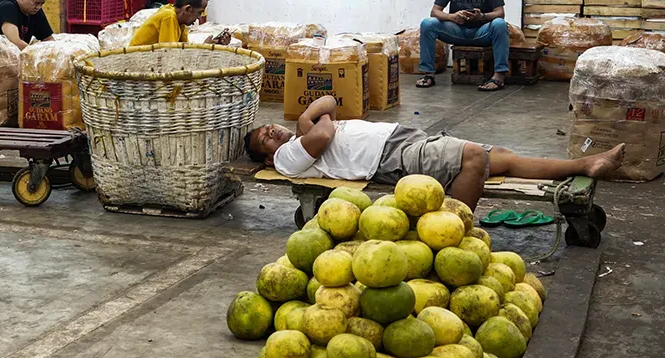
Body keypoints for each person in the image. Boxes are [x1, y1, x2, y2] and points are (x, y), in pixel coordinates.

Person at [245, 95, 624, 210]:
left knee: (502, 157)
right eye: (265, 138)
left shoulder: (300, 134)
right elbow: (327, 127)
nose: (270, 130)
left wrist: (308, 117)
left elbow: (330, 99)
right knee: (474, 156)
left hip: (402, 138)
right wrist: (310, 121)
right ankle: (453, 235)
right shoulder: (286, 159)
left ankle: (584, 164)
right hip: (392, 159)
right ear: (267, 157)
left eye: (267, 126)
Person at [416, 0, 508, 92]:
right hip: (457, 31)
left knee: (500, 24)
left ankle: (499, 76)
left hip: (481, 32)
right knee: (427, 24)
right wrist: (452, 17)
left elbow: (500, 13)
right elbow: (435, 11)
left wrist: (482, 16)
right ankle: (428, 74)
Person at [129, 0, 228, 46]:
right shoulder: (169, 16)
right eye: (199, 12)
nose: (199, 17)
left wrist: (207, 47)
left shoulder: (181, 23)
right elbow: (170, 56)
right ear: (188, 9)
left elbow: (184, 53)